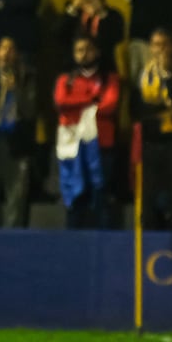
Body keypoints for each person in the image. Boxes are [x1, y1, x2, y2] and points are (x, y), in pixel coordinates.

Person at [54, 36, 121, 229]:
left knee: (101, 197)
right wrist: (92, 100)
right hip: (72, 147)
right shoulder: (65, 80)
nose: (84, 54)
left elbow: (110, 105)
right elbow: (61, 103)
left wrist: (78, 103)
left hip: (102, 145)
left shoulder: (110, 78)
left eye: (88, 49)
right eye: (79, 50)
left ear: (97, 51)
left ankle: (103, 249)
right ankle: (73, 246)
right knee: (75, 199)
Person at [0, 36, 38, 227]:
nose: (6, 53)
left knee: (16, 196)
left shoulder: (27, 77)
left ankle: (12, 240)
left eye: (10, 49)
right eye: (2, 48)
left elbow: (30, 111)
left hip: (16, 143)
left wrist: (16, 90)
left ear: (17, 55)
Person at [135, 28, 172, 230]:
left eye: (164, 45)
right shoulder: (143, 73)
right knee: (148, 191)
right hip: (151, 138)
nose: (160, 50)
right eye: (155, 45)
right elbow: (139, 107)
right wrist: (161, 107)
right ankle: (149, 233)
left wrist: (166, 75)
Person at [57, 0, 125, 75]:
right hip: (74, 71)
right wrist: (73, 8)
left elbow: (117, 37)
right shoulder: (74, 13)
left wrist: (101, 12)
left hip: (103, 71)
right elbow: (58, 35)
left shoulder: (112, 15)